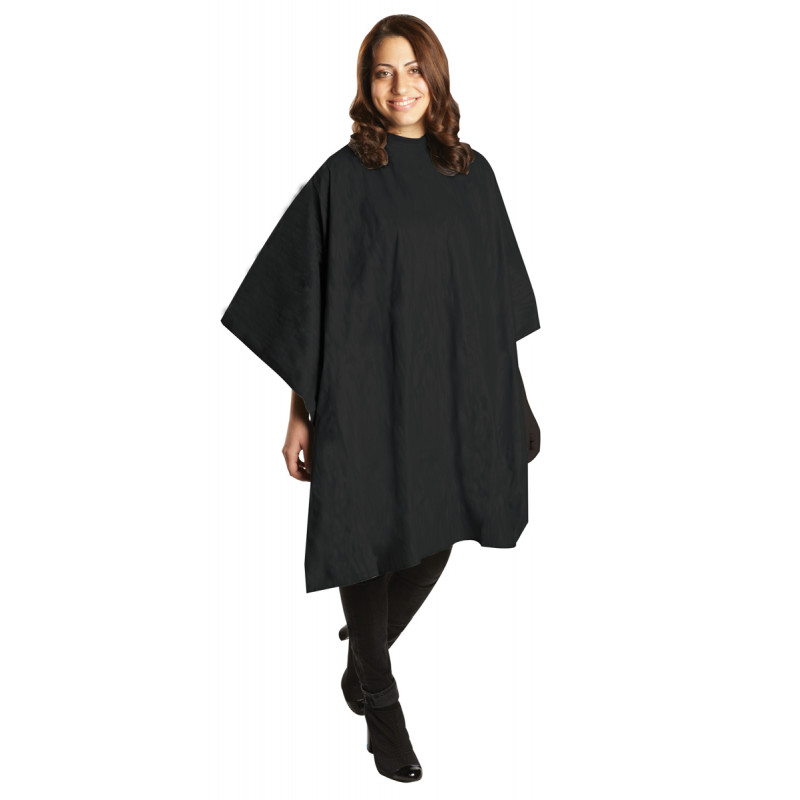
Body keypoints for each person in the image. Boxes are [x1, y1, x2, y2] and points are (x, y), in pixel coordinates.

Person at [220, 14, 541, 782]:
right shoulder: (343, 177)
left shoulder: (473, 175)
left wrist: (518, 403)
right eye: (383, 72)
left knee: (441, 525)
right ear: (366, 85)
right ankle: (382, 701)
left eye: (413, 69)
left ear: (437, 76)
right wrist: (299, 410)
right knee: (366, 529)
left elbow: (494, 302)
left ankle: (364, 657)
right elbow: (307, 299)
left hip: (450, 386)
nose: (400, 87)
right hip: (363, 388)